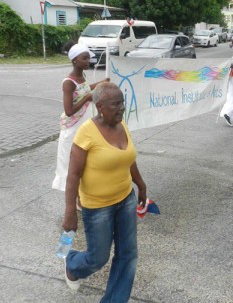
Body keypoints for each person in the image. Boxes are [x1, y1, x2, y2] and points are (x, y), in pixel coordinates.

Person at [62, 82, 147, 301]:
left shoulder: (121, 125)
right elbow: (72, 175)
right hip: (98, 206)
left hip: (125, 199)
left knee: (128, 255)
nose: (121, 108)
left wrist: (141, 185)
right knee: (97, 258)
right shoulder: (87, 133)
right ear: (100, 106)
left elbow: (128, 159)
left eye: (122, 103)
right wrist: (70, 211)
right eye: (115, 104)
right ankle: (73, 264)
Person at [52, 44, 109, 192]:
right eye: (84, 58)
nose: (87, 61)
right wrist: (87, 99)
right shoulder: (68, 82)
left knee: (84, 159)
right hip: (73, 128)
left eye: (89, 58)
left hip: (83, 124)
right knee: (71, 162)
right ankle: (73, 197)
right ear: (74, 60)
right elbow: (69, 110)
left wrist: (102, 82)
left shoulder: (81, 76)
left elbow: (84, 89)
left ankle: (82, 195)